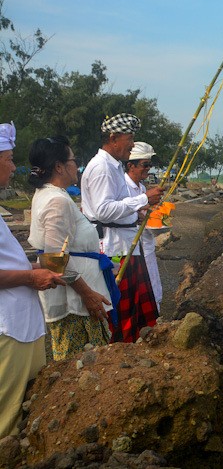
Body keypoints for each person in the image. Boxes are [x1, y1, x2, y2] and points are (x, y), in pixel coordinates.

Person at [0, 122, 64, 438]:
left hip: (23, 325)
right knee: (7, 422)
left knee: (28, 408)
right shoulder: (55, 200)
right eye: (9, 158)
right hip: (8, 329)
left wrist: (34, 271)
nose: (14, 167)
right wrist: (31, 275)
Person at [27, 136, 115, 360]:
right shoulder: (58, 201)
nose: (77, 165)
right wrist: (88, 295)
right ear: (59, 166)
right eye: (74, 160)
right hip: (75, 303)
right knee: (81, 364)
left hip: (76, 296)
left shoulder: (50, 195)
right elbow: (55, 258)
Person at [81, 113, 164, 342]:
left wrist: (137, 212)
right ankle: (120, 351)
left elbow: (117, 206)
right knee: (122, 309)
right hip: (114, 248)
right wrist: (143, 199)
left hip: (126, 244)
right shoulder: (102, 167)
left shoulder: (114, 166)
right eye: (130, 139)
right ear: (114, 137)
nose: (132, 145)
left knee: (137, 309)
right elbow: (103, 211)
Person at [124, 142, 163, 310]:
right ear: (130, 165)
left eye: (150, 165)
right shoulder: (122, 187)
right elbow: (115, 211)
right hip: (128, 246)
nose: (148, 169)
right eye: (145, 165)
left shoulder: (141, 187)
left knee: (153, 290)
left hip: (145, 243)